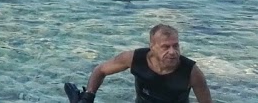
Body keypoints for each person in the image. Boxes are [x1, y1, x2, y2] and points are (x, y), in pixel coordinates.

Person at [75, 24, 213, 103]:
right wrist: (89, 95)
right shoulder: (134, 58)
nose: (172, 52)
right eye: (165, 47)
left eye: (175, 46)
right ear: (152, 46)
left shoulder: (191, 72)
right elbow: (101, 70)